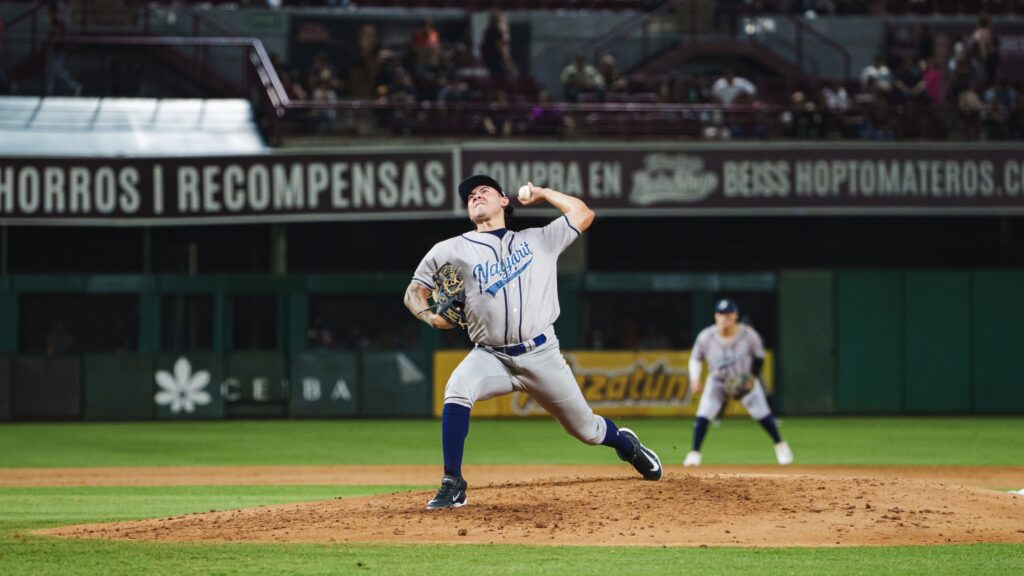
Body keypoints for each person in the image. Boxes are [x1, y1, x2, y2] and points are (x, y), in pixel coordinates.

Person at [404, 175, 663, 510]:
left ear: (504, 201)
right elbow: (414, 291)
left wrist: (544, 193)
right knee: (457, 388)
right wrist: (430, 317)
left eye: (484, 191)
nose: (476, 195)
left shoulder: (540, 239)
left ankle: (628, 446)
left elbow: (583, 213)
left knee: (586, 430)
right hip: (491, 356)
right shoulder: (450, 249)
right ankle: (453, 482)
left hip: (541, 354)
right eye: (470, 196)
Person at [683, 299, 793, 467]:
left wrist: (752, 377)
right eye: (721, 314)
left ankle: (781, 446)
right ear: (715, 316)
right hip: (718, 381)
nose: (724, 318)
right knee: (703, 414)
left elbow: (759, 357)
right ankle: (694, 453)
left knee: (762, 414)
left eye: (728, 314)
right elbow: (695, 358)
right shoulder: (706, 336)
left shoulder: (748, 335)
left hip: (744, 381)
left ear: (735, 316)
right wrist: (695, 378)